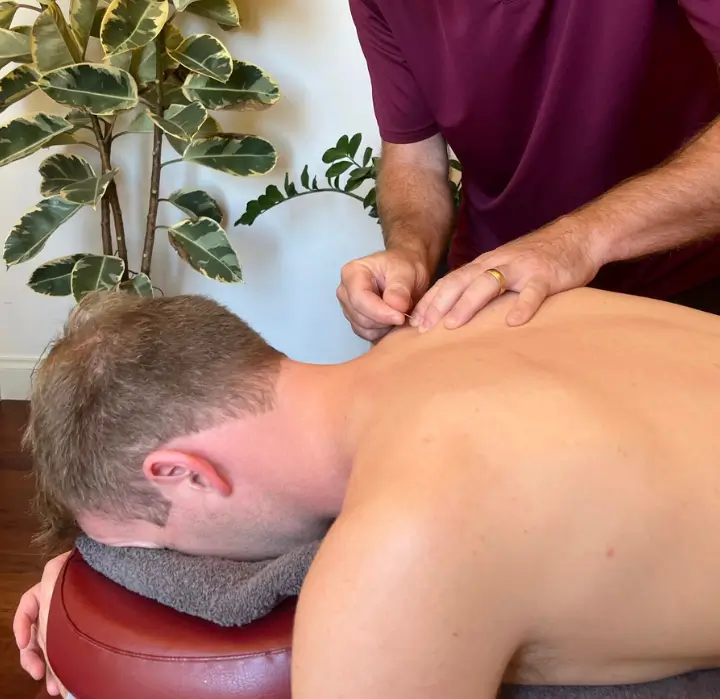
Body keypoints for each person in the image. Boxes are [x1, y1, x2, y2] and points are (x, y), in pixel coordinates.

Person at [12, 288, 720, 698]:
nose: (178, 564)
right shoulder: (465, 309)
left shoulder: (406, 549)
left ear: (186, 473)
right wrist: (93, 574)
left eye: (161, 548)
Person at [337, 0, 720, 342]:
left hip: (687, 278)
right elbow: (413, 156)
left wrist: (576, 242)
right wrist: (410, 253)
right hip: (498, 294)